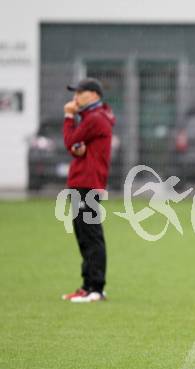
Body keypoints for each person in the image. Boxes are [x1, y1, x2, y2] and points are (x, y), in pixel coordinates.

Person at [61, 78, 116, 303]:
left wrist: (68, 116)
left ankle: (96, 288)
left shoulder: (94, 118)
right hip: (82, 182)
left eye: (80, 93)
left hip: (88, 183)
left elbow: (70, 141)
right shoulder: (93, 117)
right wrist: (77, 147)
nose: (75, 98)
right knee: (84, 234)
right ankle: (87, 286)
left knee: (91, 235)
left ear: (94, 95)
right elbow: (76, 148)